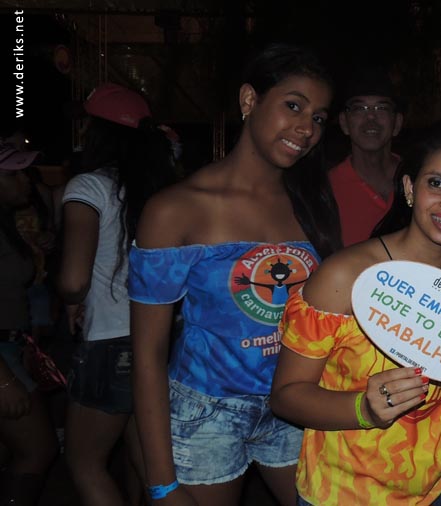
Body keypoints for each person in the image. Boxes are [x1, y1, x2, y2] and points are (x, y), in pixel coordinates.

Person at [128, 44, 339, 505]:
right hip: (206, 412)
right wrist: (161, 483)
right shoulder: (174, 210)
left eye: (319, 117)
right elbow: (147, 353)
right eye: (294, 106)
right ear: (249, 100)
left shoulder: (312, 205)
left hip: (294, 403)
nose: (307, 128)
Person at [270, 121, 441, 505]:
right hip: (345, 495)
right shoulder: (345, 277)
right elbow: (285, 397)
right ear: (410, 188)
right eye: (437, 183)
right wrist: (363, 409)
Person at [58, 82, 177, 506]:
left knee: (85, 463)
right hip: (159, 342)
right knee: (154, 469)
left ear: (98, 132)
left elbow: (73, 279)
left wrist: (70, 299)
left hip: (110, 343)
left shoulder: (88, 187)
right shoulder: (160, 191)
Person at [0, 144, 58, 506]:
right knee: (38, 450)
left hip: (11, 346)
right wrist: (4, 380)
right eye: (14, 173)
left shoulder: (8, 223)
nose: (25, 180)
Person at [328, 65, 404, 247]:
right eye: (359, 108)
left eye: (381, 108)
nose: (370, 117)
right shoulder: (325, 190)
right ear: (344, 123)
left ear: (397, 123)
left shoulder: (422, 179)